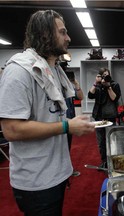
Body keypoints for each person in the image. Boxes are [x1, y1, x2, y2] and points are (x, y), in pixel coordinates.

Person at [0, 10, 96, 215]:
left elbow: (50, 114)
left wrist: (70, 122)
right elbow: (12, 129)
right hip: (36, 182)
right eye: (62, 32)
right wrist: (66, 126)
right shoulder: (19, 71)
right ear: (45, 34)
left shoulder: (53, 70)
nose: (68, 38)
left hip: (56, 174)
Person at [88, 68, 121, 169]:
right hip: (99, 117)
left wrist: (108, 87)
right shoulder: (97, 86)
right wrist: (95, 83)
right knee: (101, 141)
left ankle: (113, 160)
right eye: (103, 76)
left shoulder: (115, 85)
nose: (105, 77)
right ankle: (104, 161)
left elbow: (114, 98)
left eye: (107, 75)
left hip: (110, 116)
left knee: (112, 140)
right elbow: (90, 95)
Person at [60, 61, 84, 177]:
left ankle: (67, 171)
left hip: (69, 120)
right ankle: (61, 172)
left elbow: (81, 97)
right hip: (57, 121)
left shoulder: (69, 86)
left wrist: (76, 84)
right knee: (59, 148)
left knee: (67, 147)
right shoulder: (54, 86)